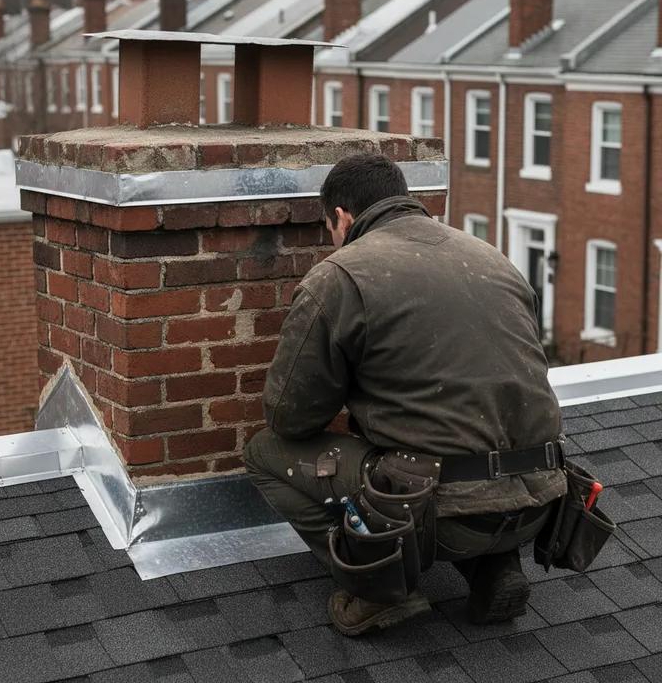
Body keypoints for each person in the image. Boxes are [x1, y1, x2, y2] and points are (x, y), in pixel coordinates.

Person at [243, 153, 567, 637]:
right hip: (541, 501)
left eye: (329, 227)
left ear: (342, 217)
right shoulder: (491, 257)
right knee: (475, 451)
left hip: (440, 515)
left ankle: (379, 584)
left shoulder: (340, 275)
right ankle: (496, 569)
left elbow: (291, 418)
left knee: (265, 451)